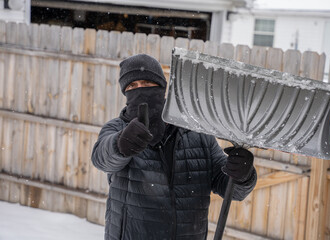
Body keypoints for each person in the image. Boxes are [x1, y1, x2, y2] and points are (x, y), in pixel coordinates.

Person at [91, 54, 257, 240]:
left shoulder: (198, 134)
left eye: (147, 83)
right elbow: (101, 159)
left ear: (162, 87)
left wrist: (243, 175)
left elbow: (231, 189)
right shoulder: (117, 128)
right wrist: (119, 144)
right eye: (132, 86)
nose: (140, 90)